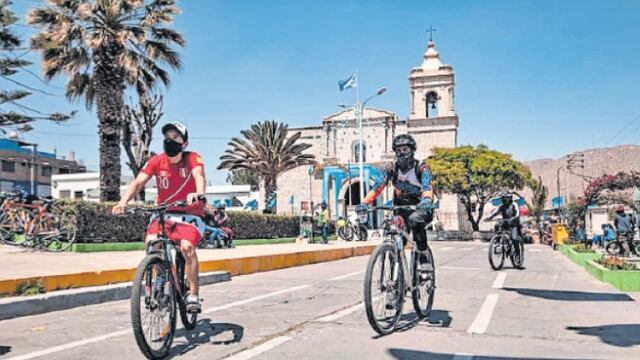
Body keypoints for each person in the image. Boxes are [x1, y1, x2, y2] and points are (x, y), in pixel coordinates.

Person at [112, 121, 205, 313]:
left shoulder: (192, 158)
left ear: (184, 143)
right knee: (151, 243)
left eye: (175, 138)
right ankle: (160, 280)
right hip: (164, 214)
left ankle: (193, 294)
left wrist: (198, 194)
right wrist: (123, 202)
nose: (170, 141)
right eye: (167, 138)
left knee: (187, 247)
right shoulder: (156, 161)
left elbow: (199, 176)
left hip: (189, 215)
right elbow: (138, 183)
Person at [361, 134, 434, 271]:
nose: (401, 153)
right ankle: (397, 278)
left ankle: (424, 256)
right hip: (400, 209)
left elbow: (427, 187)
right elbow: (378, 187)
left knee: (415, 220)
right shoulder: (391, 169)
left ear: (412, 150)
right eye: (398, 150)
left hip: (421, 208)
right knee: (395, 235)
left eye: (405, 149)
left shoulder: (421, 168)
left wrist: (426, 200)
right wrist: (364, 203)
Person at [485, 192, 523, 257]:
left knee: (514, 238)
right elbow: (495, 213)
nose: (504, 200)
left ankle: (517, 253)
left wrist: (513, 218)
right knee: (497, 225)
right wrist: (488, 218)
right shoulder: (501, 206)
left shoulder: (514, 204)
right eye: (503, 198)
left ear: (510, 198)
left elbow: (517, 213)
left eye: (506, 198)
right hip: (505, 223)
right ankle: (498, 240)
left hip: (514, 224)